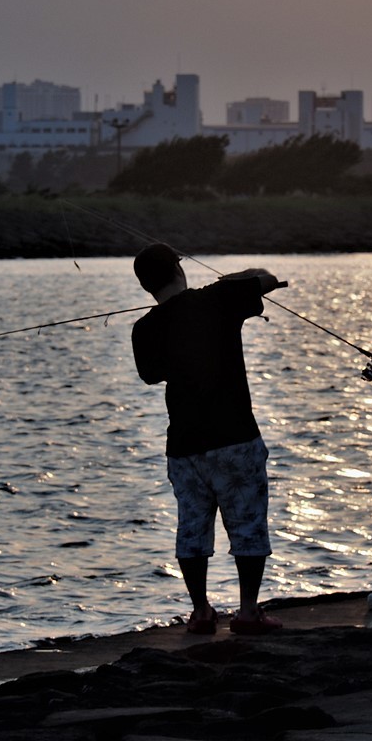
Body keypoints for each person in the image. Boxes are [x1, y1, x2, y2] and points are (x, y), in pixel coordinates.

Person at [132, 242, 285, 635]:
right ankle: (248, 611)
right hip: (235, 437)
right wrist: (231, 281)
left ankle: (201, 611)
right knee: (248, 524)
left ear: (147, 285)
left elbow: (150, 375)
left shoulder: (143, 328)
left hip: (183, 446)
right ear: (179, 270)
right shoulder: (218, 299)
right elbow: (265, 279)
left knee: (192, 528)